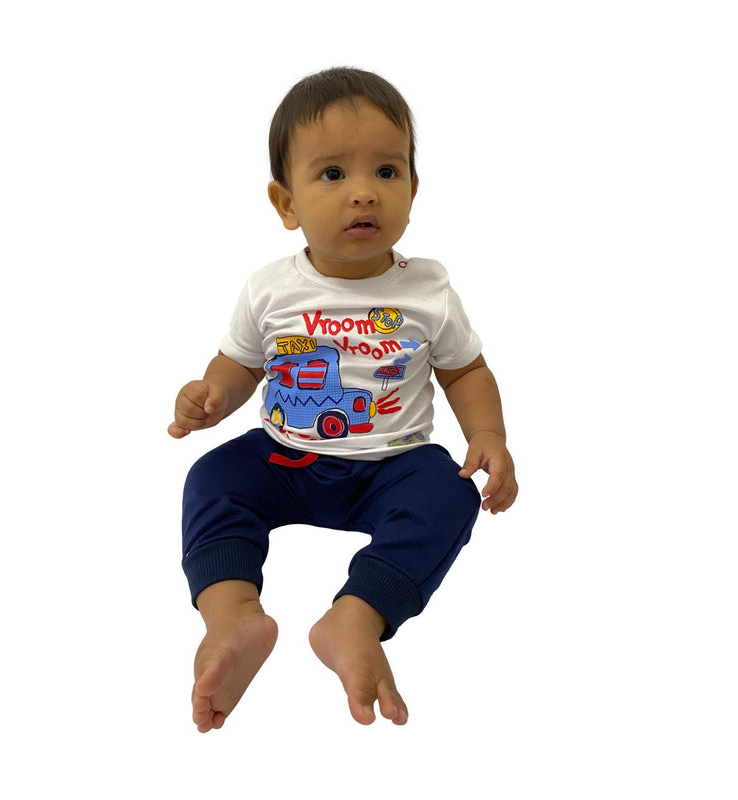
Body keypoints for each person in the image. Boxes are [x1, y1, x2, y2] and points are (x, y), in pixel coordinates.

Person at [168, 67, 518, 732]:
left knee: (451, 493)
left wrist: (489, 435)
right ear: (286, 203)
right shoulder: (271, 288)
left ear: (413, 190)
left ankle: (358, 614)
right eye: (333, 174)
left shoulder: (429, 291)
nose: (364, 192)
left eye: (387, 171)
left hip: (394, 465)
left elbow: (466, 371)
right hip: (285, 457)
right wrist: (213, 394)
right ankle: (232, 616)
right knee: (212, 477)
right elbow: (241, 363)